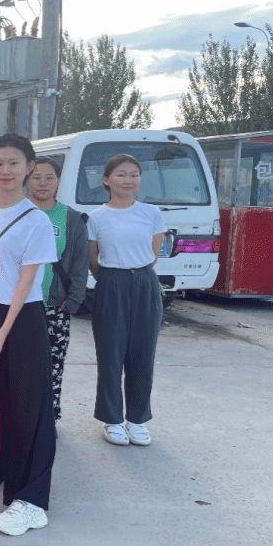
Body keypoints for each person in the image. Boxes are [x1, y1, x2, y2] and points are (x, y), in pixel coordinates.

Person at [0, 133, 57, 537]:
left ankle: (31, 501)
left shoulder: (36, 220)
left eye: (14, 163)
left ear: (29, 167)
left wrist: (3, 332)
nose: (5, 170)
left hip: (20, 319)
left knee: (28, 406)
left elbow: (26, 281)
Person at [87, 154, 166, 447]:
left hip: (144, 283)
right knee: (110, 354)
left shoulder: (151, 213)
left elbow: (153, 255)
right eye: (121, 174)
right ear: (106, 180)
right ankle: (112, 419)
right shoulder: (95, 218)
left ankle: (137, 419)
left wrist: (135, 274)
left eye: (134, 174)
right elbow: (93, 260)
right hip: (110, 283)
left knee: (143, 354)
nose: (128, 180)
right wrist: (112, 279)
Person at [27, 157, 89, 425]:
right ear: (27, 180)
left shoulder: (70, 218)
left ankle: (48, 419)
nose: (43, 183)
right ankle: (21, 419)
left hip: (54, 306)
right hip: (18, 305)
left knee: (52, 366)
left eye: (49, 177)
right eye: (36, 177)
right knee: (20, 365)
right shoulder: (17, 212)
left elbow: (80, 263)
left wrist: (73, 300)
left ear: (58, 181)